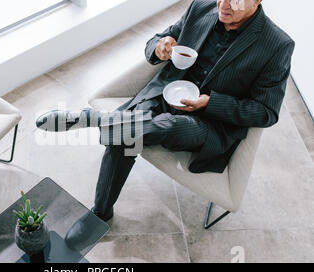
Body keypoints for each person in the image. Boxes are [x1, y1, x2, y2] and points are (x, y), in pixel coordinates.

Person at [36, 0, 295, 227]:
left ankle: (96, 119)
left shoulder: (276, 45)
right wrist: (160, 47)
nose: (224, 5)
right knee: (125, 134)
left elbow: (266, 112)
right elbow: (158, 39)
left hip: (208, 121)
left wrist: (209, 103)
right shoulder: (202, 6)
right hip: (164, 94)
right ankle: (101, 213)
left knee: (164, 126)